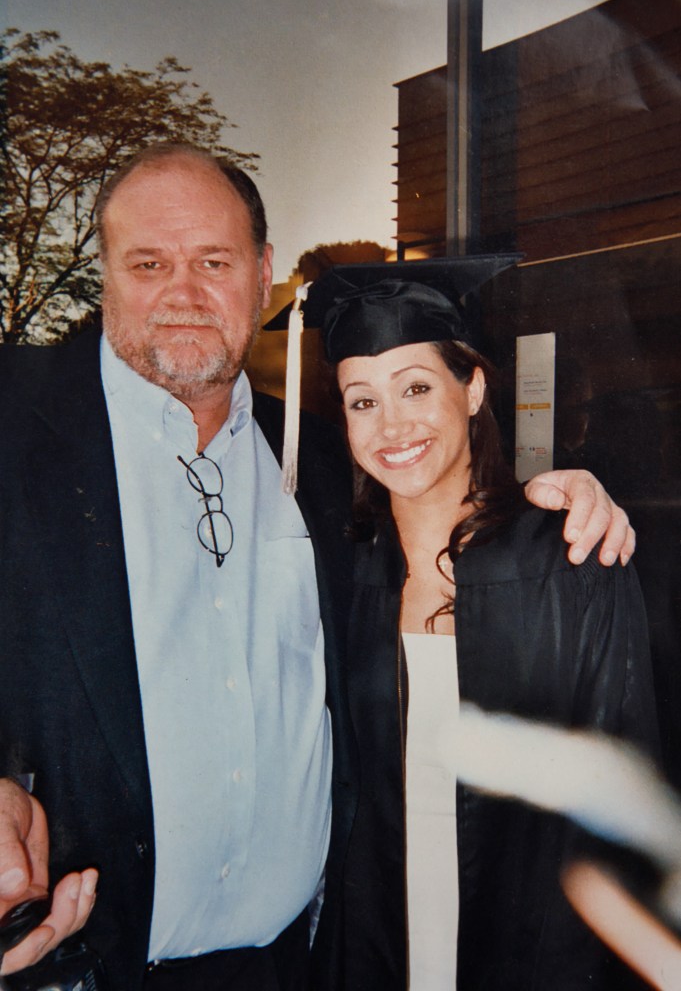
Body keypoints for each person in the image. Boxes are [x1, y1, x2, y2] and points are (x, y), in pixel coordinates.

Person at [0, 145, 634, 989]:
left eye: (213, 262)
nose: (182, 292)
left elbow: (434, 505)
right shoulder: (14, 430)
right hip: (79, 963)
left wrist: (557, 499)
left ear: (262, 274)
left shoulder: (319, 462)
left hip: (304, 965)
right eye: (148, 263)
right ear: (105, 273)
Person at [267, 268, 658, 990]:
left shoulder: (571, 562)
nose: (391, 427)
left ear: (472, 388)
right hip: (374, 939)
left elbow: (625, 798)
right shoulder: (337, 574)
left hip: (534, 947)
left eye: (416, 387)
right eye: (362, 401)